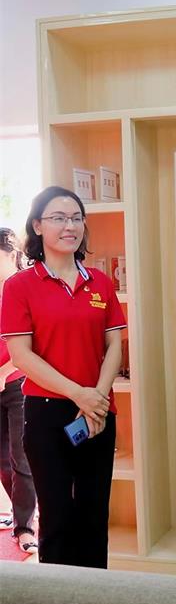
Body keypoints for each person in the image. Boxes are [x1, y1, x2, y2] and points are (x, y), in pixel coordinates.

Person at [0, 186, 125, 568]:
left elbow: (114, 345)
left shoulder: (100, 283)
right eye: (58, 218)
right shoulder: (19, 286)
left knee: (93, 514)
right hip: (47, 413)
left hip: (97, 413)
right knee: (56, 517)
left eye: (75, 218)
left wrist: (96, 398)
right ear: (37, 226)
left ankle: (95, 597)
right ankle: (57, 601)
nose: (69, 226)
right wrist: (79, 394)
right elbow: (22, 355)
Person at [0, 228, 37, 554]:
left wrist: (2, 373)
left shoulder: (25, 288)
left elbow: (31, 343)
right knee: (2, 458)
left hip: (18, 383)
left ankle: (26, 527)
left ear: (12, 254)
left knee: (20, 457)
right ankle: (18, 513)